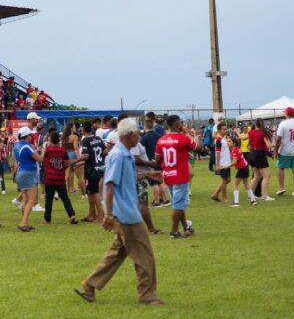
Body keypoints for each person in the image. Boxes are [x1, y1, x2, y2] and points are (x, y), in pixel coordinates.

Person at [75, 119, 164, 305]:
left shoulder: (125, 155)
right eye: (137, 133)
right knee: (144, 256)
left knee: (116, 254)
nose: (139, 136)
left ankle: (90, 284)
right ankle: (147, 295)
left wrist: (147, 174)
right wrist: (108, 214)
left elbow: (127, 177)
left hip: (125, 213)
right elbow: (109, 184)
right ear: (128, 135)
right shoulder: (118, 155)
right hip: (126, 215)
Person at [155, 115, 200, 239]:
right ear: (177, 124)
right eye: (180, 123)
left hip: (168, 175)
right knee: (178, 205)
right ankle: (174, 232)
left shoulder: (161, 140)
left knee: (178, 204)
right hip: (180, 176)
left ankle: (186, 226)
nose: (182, 124)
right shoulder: (183, 139)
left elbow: (158, 159)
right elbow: (199, 149)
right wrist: (197, 136)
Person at [42, 131, 79, 225]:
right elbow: (66, 162)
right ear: (59, 140)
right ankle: (71, 215)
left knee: (49, 200)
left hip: (50, 178)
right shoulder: (63, 150)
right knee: (65, 198)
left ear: (50, 140)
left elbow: (42, 160)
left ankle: (47, 219)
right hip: (60, 178)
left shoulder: (48, 150)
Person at [14, 126, 45, 231]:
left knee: (25, 199)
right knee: (32, 200)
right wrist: (43, 151)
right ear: (27, 136)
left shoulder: (17, 146)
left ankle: (25, 222)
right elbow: (40, 159)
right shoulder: (28, 146)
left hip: (21, 172)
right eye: (31, 135)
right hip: (29, 173)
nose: (32, 136)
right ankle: (23, 222)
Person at [80, 121, 105, 223]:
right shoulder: (98, 138)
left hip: (91, 170)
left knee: (94, 192)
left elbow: (85, 156)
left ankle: (100, 215)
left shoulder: (86, 140)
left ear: (83, 130)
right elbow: (104, 151)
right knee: (90, 191)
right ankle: (92, 214)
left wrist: (74, 161)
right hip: (99, 167)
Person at [248, 118, 274, 201]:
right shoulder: (263, 133)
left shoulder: (251, 132)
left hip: (252, 154)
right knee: (266, 176)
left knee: (256, 176)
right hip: (260, 155)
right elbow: (269, 146)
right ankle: (264, 196)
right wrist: (273, 144)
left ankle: (251, 195)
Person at [229, 136, 256, 207]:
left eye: (229, 141)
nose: (227, 142)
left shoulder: (235, 150)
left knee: (235, 185)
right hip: (245, 167)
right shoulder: (236, 149)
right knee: (246, 184)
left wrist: (226, 166)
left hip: (242, 168)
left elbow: (234, 162)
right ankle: (253, 200)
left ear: (234, 143)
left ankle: (236, 202)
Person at [210, 123, 232, 203]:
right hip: (222, 163)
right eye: (224, 129)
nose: (226, 130)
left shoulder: (223, 138)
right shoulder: (219, 140)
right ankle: (224, 198)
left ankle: (215, 195)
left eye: (226, 129)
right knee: (225, 180)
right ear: (219, 130)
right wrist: (218, 164)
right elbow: (218, 152)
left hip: (226, 162)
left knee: (228, 180)